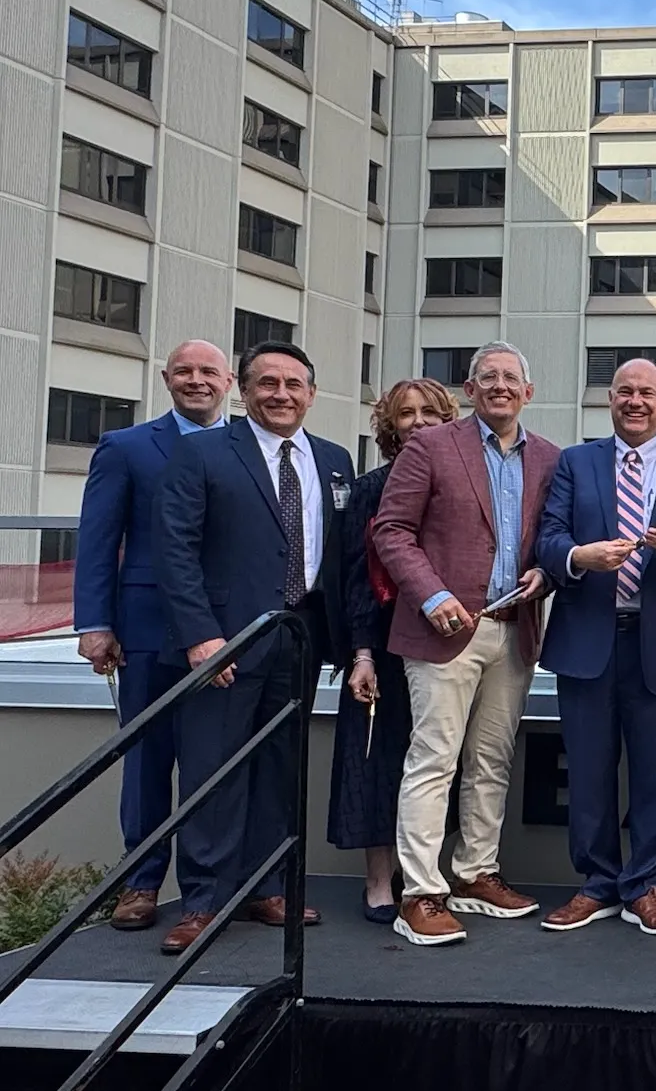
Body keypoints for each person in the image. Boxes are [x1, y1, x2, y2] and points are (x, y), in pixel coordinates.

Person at [154, 341, 351, 953]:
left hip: (300, 638)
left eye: (295, 384)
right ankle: (205, 900)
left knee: (280, 768)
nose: (282, 394)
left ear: (312, 394)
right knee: (214, 769)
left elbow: (338, 554)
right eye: (268, 383)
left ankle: (268, 888)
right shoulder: (203, 452)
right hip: (226, 643)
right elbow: (175, 549)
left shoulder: (333, 459)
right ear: (245, 390)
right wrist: (202, 636)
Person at [371, 342, 560, 948]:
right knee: (434, 761)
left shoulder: (551, 458)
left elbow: (553, 539)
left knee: (491, 761)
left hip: (514, 628)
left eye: (512, 377)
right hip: (442, 631)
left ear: (528, 392)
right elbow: (391, 530)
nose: (501, 386)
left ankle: (476, 872)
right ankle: (421, 892)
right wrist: (430, 596)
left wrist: (547, 575)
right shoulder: (431, 445)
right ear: (470, 390)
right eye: (489, 378)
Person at [536, 359, 656, 935]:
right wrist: (578, 558)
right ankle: (595, 885)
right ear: (609, 401)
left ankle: (645, 884)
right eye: (624, 393)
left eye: (646, 393)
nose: (635, 402)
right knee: (588, 773)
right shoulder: (576, 461)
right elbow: (548, 537)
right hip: (590, 637)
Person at [73, 339, 231, 933]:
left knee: (209, 763)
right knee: (145, 760)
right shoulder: (127, 447)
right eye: (185, 371)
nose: (197, 381)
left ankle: (204, 891)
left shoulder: (245, 447)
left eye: (208, 372)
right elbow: (96, 538)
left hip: (220, 633)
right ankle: (140, 883)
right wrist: (94, 623)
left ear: (228, 382)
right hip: (143, 628)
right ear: (166, 378)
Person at [329, 377, 458, 924]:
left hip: (442, 641)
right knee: (375, 761)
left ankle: (424, 875)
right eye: (406, 414)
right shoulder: (368, 490)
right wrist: (359, 653)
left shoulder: (459, 485)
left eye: (430, 412)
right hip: (379, 646)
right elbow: (354, 580)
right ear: (390, 426)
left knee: (433, 761)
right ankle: (379, 881)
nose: (419, 421)